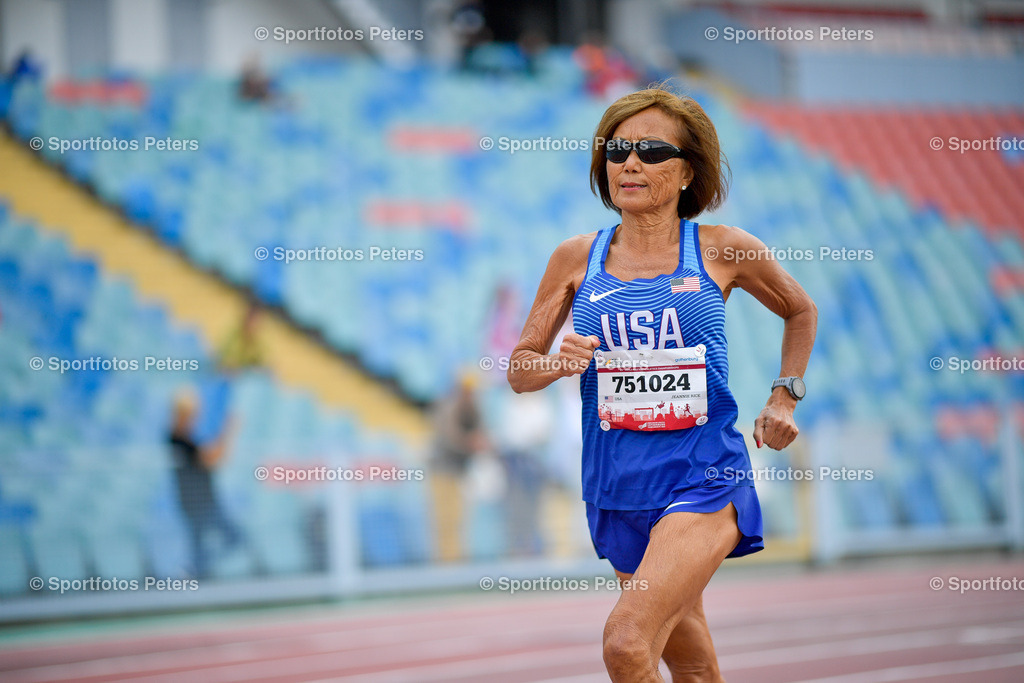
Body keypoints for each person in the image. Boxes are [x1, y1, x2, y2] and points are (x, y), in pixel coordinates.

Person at [507, 86, 816, 681]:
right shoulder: (575, 258)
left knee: (626, 643)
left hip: (702, 474)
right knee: (691, 659)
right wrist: (557, 362)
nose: (629, 162)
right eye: (617, 149)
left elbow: (800, 310)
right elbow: (521, 370)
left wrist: (785, 394)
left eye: (651, 150)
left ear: (686, 173)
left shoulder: (724, 249)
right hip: (616, 485)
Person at [168, 389, 244, 579]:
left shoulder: (185, 441)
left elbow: (210, 455)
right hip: (199, 505)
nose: (194, 419)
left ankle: (198, 577)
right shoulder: (178, 441)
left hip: (200, 503)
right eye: (191, 415)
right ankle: (195, 578)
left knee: (205, 550)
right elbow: (211, 458)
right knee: (228, 540)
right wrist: (229, 431)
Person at [429, 371, 490, 562]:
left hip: (461, 471)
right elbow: (449, 437)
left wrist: (481, 442)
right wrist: (471, 443)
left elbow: (481, 432)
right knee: (445, 520)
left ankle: (456, 562)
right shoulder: (448, 407)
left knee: (459, 519)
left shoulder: (473, 409)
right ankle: (446, 564)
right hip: (442, 471)